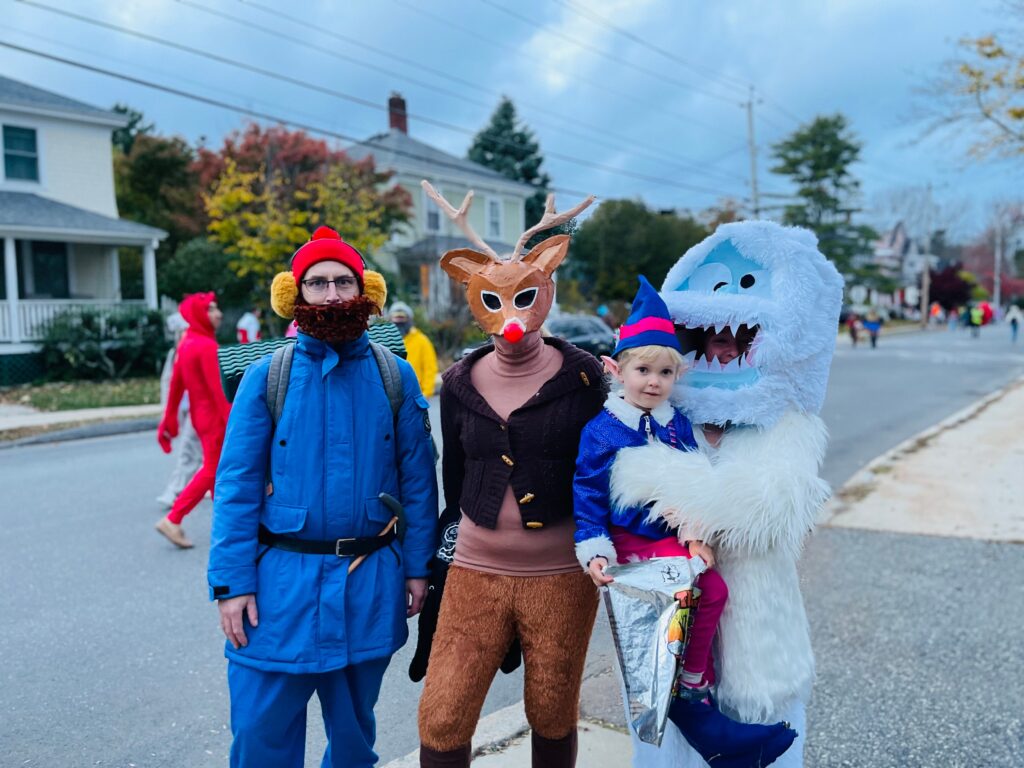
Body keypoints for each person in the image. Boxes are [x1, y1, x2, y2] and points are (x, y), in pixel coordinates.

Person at [612, 221, 843, 768]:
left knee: (762, 737)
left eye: (739, 335)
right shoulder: (661, 411)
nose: (724, 341)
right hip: (667, 619)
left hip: (755, 625)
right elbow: (611, 483)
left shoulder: (788, 424)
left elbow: (768, 507)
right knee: (666, 747)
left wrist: (661, 482)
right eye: (712, 333)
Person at [208, 225, 438, 767]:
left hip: (368, 587)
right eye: (318, 283)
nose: (332, 294)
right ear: (297, 294)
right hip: (276, 594)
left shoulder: (395, 377)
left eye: (343, 282)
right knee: (260, 739)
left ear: (365, 293)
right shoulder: (267, 377)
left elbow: (419, 483)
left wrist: (417, 569)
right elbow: (236, 488)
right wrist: (231, 584)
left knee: (355, 744)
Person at [413, 182, 603, 767]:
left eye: (525, 296)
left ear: (545, 290)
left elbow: (613, 462)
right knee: (442, 713)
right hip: (474, 569)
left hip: (559, 576)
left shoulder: (586, 377)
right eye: (495, 301)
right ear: (472, 297)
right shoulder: (459, 382)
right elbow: (456, 473)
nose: (511, 315)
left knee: (551, 708)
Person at [573, 277, 796, 768]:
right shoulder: (603, 429)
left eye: (666, 372)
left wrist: (694, 531)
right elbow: (588, 492)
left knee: (712, 591)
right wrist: (595, 547)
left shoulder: (675, 423)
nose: (653, 381)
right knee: (661, 615)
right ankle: (676, 703)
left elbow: (692, 477)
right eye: (644, 370)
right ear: (618, 369)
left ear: (680, 374)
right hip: (630, 542)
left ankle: (693, 681)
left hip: (671, 539)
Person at [155, 292, 230, 549]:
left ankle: (230, 526)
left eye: (216, 308)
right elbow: (219, 392)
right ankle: (174, 518)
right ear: (199, 314)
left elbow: (176, 386)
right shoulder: (207, 346)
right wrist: (236, 422)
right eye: (211, 309)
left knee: (220, 472)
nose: (217, 314)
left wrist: (168, 420)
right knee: (214, 470)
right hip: (214, 418)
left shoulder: (188, 343)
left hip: (201, 418)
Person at [156, 311, 202, 509]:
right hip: (185, 408)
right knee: (200, 452)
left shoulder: (198, 348)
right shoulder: (175, 352)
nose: (181, 334)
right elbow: (168, 381)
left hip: (199, 409)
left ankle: (174, 492)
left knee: (188, 450)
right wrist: (168, 411)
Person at [389, 301, 438, 397]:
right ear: (390, 320)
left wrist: (426, 394)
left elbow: (430, 368)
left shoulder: (422, 341)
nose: (399, 322)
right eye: (396, 318)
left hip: (415, 396)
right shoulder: (384, 341)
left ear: (409, 320)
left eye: (402, 318)